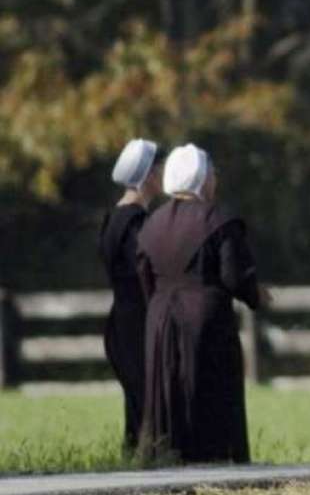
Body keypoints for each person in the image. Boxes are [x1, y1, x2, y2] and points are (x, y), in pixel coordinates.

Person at [136, 143, 271, 464]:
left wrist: (158, 309)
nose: (215, 180)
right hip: (205, 321)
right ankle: (213, 460)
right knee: (209, 393)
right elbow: (234, 275)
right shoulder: (218, 219)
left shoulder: (151, 223)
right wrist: (258, 296)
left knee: (167, 392)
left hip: (159, 321)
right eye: (212, 174)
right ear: (200, 177)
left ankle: (167, 457)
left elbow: (144, 275)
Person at [99, 138, 162, 453]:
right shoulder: (136, 223)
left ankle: (137, 460)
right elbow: (147, 271)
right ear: (148, 175)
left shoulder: (112, 218)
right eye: (159, 168)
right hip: (138, 321)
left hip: (121, 319)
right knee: (148, 402)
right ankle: (146, 465)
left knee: (136, 403)